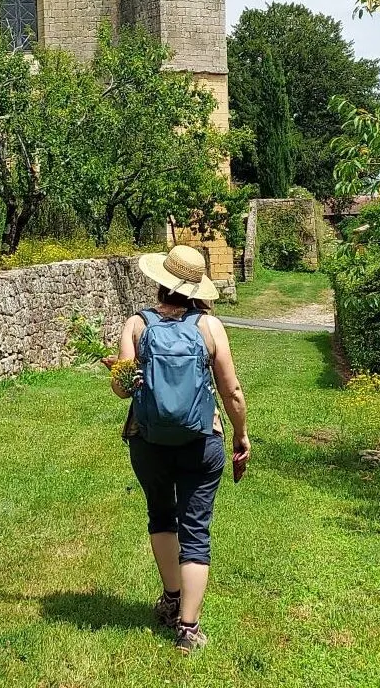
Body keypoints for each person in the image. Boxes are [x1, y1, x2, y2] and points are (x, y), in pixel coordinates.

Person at [110, 243, 250, 654]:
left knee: (160, 514)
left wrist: (121, 372)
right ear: (195, 288)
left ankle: (171, 597)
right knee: (196, 529)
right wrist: (241, 435)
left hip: (148, 440)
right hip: (201, 440)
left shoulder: (136, 324)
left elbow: (121, 389)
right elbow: (233, 391)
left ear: (160, 281)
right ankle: (188, 628)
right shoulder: (210, 327)